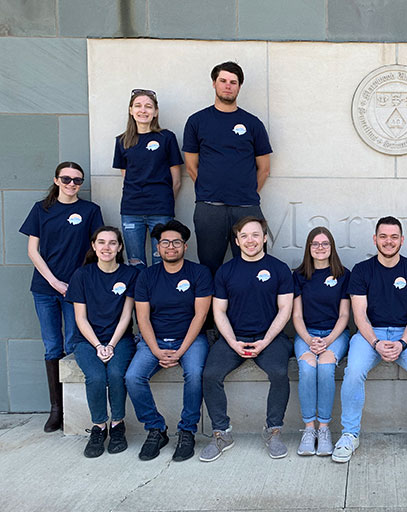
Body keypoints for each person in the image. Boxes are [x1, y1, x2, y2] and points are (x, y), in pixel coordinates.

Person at [332, 216, 407, 463]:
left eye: (394, 237)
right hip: (370, 334)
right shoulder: (362, 270)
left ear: (402, 240)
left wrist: (402, 343)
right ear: (375, 239)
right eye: (383, 236)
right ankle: (349, 434)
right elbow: (359, 315)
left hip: (406, 334)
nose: (388, 241)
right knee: (353, 371)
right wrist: (375, 343)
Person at [200, 217, 293, 462]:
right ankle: (221, 433)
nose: (250, 240)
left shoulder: (279, 268)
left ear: (264, 238)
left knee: (279, 372)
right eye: (244, 236)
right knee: (210, 374)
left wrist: (265, 341)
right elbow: (218, 311)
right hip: (234, 337)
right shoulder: (226, 271)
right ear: (237, 241)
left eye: (255, 235)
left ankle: (273, 430)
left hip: (270, 338)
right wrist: (232, 342)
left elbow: (285, 309)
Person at [20, 161, 104, 432]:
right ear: (56, 180)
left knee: (72, 343)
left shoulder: (90, 210)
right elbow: (33, 251)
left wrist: (76, 284)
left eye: (77, 180)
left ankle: (73, 409)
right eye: (66, 179)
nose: (71, 184)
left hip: (75, 291)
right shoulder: (41, 209)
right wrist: (54, 281)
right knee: (52, 346)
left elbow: (96, 250)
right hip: (45, 288)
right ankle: (56, 409)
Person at [125, 220, 212, 462]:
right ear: (158, 247)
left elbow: (201, 315)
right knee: (133, 377)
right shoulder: (146, 277)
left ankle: (187, 430)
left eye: (176, 242)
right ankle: (156, 428)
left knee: (194, 374)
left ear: (185, 246)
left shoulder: (199, 273)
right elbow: (142, 318)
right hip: (154, 340)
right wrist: (156, 350)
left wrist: (180, 350)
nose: (170, 246)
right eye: (165, 242)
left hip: (191, 340)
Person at [182, 61, 273, 278]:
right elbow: (191, 166)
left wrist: (245, 192)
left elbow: (264, 169)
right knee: (209, 267)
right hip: (209, 207)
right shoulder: (197, 121)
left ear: (239, 87)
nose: (228, 86)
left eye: (233, 82)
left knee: (254, 265)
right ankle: (213, 313)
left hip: (246, 206)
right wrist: (210, 189)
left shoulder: (253, 124)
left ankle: (250, 311)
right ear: (214, 83)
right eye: (223, 81)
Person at [66, 227, 138, 457]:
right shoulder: (82, 275)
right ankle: (99, 427)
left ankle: (117, 425)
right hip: (87, 340)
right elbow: (80, 318)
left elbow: (127, 316)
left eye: (112, 243)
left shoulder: (129, 275)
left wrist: (112, 345)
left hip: (120, 338)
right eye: (102, 242)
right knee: (96, 376)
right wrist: (98, 346)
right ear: (94, 246)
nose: (107, 247)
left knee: (117, 374)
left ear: (119, 247)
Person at [292, 227, 350, 456]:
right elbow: (296, 315)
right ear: (308, 248)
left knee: (325, 368)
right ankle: (309, 429)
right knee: (307, 369)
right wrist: (309, 339)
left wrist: (327, 340)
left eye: (325, 243)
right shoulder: (298, 275)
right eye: (315, 244)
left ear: (332, 247)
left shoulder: (344, 274)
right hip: (307, 333)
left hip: (335, 334)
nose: (320, 248)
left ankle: (324, 429)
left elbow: (345, 315)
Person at [113, 88, 183, 268]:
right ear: (130, 110)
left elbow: (176, 181)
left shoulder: (167, 138)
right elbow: (127, 178)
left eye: (148, 106)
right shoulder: (122, 141)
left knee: (162, 261)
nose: (143, 110)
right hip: (131, 210)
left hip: (160, 210)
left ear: (155, 112)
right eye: (138, 106)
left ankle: (160, 296)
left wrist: (163, 201)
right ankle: (140, 297)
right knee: (135, 262)